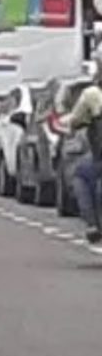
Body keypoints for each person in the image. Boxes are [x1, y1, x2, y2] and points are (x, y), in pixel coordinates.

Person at [60, 67, 102, 243]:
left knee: (81, 176)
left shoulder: (92, 94)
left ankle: (92, 224)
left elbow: (75, 120)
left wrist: (69, 124)